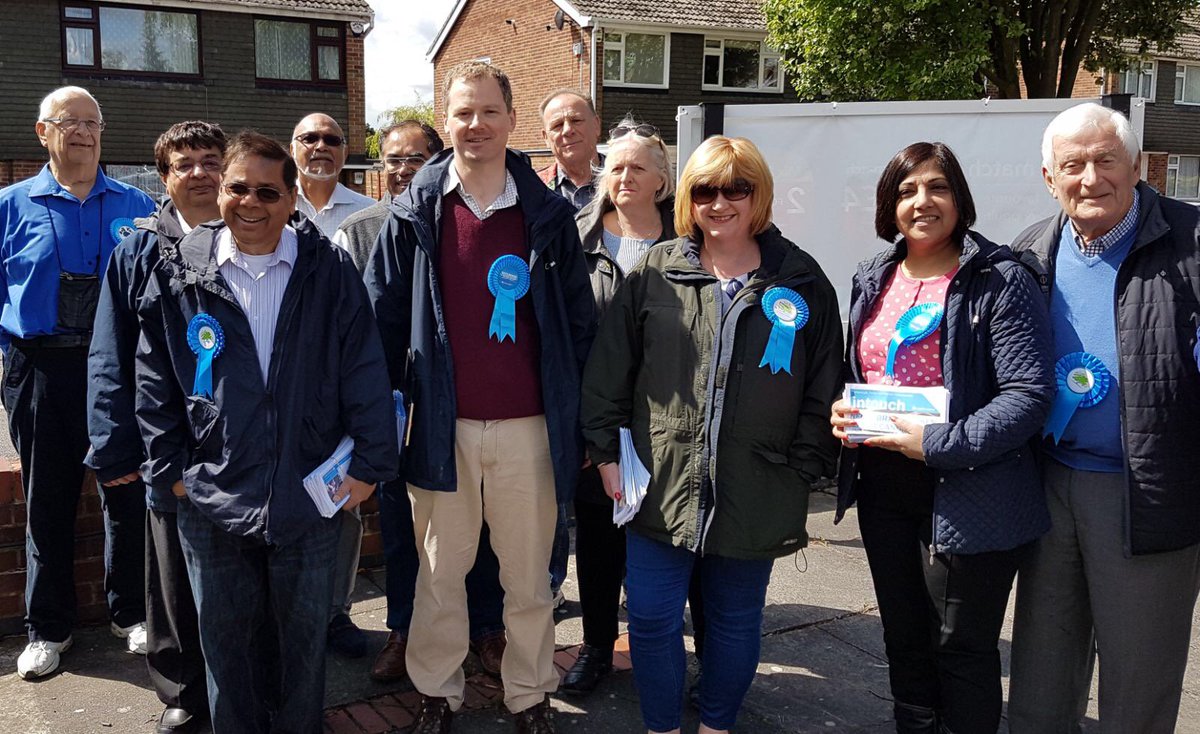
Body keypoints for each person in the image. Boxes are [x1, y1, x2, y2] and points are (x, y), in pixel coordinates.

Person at [134, 131, 398, 734]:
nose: (250, 203)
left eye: (267, 192)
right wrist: (171, 471)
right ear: (221, 191)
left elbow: (364, 366)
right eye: (238, 188)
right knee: (226, 651)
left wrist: (367, 467)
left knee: (303, 649)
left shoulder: (327, 268)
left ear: (291, 200)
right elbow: (153, 374)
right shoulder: (179, 269)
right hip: (212, 494)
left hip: (307, 493)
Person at [581, 136, 843, 734]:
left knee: (733, 621)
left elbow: (824, 385)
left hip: (756, 486)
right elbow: (609, 372)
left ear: (759, 194)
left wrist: (800, 468)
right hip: (658, 484)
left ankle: (716, 724)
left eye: (736, 189)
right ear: (688, 198)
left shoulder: (800, 280)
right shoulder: (656, 271)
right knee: (650, 619)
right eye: (705, 190)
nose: (720, 203)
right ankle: (662, 727)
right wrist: (607, 453)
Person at [366, 61, 594, 734]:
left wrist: (583, 425)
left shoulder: (548, 214)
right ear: (447, 122)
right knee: (439, 576)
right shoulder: (414, 213)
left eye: (489, 111)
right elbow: (379, 321)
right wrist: (382, 417)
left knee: (528, 580)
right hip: (441, 427)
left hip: (531, 429)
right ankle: (438, 692)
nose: (476, 124)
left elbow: (580, 326)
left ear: (511, 120)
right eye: (463, 112)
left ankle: (529, 693)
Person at [829, 142, 1054, 734]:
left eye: (937, 187)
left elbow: (1028, 395)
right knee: (902, 636)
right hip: (884, 486)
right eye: (907, 191)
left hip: (970, 486)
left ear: (960, 199)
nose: (922, 201)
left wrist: (938, 444)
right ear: (889, 204)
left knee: (961, 647)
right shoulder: (873, 275)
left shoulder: (1000, 279)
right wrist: (845, 414)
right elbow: (862, 371)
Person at [1007, 103, 1200, 734]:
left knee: (1138, 680)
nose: (1090, 178)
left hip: (1148, 492)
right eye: (1073, 165)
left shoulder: (1192, 242)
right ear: (1049, 178)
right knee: (1041, 671)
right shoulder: (1030, 251)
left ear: (1137, 166)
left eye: (1106, 160)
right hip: (1048, 486)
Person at [339, 122, 508, 684]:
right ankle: (404, 630)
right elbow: (357, 326)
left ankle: (486, 628)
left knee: (480, 527)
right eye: (392, 159)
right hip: (398, 408)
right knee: (404, 528)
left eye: (416, 157)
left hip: (467, 403)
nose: (403, 168)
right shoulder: (361, 230)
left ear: (438, 160)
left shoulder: (460, 218)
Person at [0, 86, 154, 680]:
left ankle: (131, 613)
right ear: (44, 132)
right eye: (71, 122)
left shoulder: (137, 205)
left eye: (93, 122)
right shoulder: (11, 205)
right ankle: (48, 628)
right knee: (47, 499)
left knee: (126, 491)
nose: (85, 133)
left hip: (117, 370)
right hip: (41, 369)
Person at [87, 120, 226, 733]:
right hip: (165, 443)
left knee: (244, 576)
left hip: (241, 442)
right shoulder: (136, 252)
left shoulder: (255, 237)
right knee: (171, 580)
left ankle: (245, 683)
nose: (199, 173)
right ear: (164, 178)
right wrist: (111, 444)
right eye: (184, 164)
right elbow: (109, 352)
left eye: (210, 160)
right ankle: (183, 690)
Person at [560, 118, 676, 696]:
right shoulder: (574, 239)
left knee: (668, 540)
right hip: (597, 421)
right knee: (599, 544)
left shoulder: (690, 240)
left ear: (661, 180)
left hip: (670, 421)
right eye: (615, 166)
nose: (624, 176)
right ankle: (597, 645)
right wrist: (582, 428)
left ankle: (669, 649)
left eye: (637, 167)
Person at [334, 120, 445, 272]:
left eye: (415, 160)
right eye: (394, 161)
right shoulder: (355, 233)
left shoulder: (454, 224)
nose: (403, 170)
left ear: (437, 163)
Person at [291, 113, 375, 237]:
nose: (321, 147)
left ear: (345, 153)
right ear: (292, 150)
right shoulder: (272, 206)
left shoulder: (370, 213)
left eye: (332, 140)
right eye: (309, 138)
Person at [537, 90, 603, 211]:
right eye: (557, 125)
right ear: (545, 137)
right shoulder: (533, 188)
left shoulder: (626, 181)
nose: (567, 130)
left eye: (576, 120)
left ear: (596, 125)